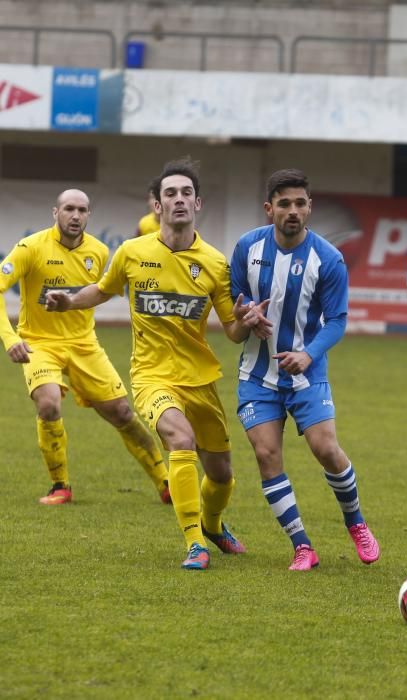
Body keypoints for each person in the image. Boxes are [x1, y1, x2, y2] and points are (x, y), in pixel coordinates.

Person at [46, 158, 261, 570]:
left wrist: (246, 323)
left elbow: (231, 330)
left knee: (221, 474)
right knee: (179, 441)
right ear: (157, 207)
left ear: (197, 203)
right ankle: (195, 542)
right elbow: (103, 290)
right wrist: (70, 299)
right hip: (151, 374)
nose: (178, 200)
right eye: (169, 194)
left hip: (200, 378)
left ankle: (213, 524)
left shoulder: (216, 263)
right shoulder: (132, 252)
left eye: (185, 194)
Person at [230, 168, 380, 571]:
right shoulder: (247, 247)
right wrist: (246, 315)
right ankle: (302, 546)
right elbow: (235, 296)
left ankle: (357, 522)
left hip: (306, 374)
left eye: (300, 203)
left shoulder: (327, 259)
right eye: (284, 204)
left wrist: (308, 354)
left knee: (325, 449)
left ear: (310, 207)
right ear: (269, 209)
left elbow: (337, 320)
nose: (293, 211)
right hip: (257, 374)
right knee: (266, 454)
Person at [0, 189, 171, 506]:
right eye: (69, 209)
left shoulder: (100, 252)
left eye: (82, 210)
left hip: (84, 344)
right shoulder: (30, 248)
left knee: (122, 413)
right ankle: (60, 486)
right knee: (49, 403)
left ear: (89, 215)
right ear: (56, 212)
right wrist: (11, 339)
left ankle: (165, 483)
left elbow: (110, 291)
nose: (75, 216)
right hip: (40, 344)